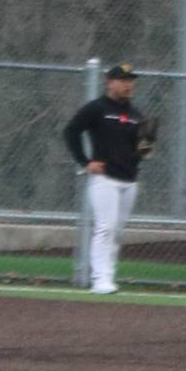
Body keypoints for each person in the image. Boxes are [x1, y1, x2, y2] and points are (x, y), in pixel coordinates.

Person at [63, 63, 148, 295]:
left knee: (117, 231)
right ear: (109, 82)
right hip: (105, 179)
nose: (128, 84)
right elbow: (71, 131)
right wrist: (85, 161)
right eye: (123, 80)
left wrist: (145, 147)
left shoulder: (136, 115)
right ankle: (100, 279)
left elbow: (141, 150)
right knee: (105, 227)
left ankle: (108, 275)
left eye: (130, 80)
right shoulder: (97, 108)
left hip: (129, 180)